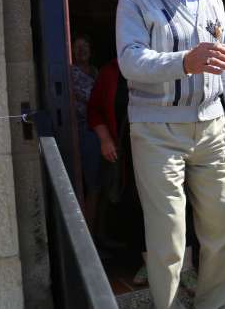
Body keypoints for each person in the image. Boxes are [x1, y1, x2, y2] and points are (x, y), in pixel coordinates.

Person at [116, 0, 225, 309]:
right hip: (157, 129)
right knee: (168, 233)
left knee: (222, 228)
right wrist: (184, 62)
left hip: (211, 125)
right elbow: (130, 61)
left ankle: (215, 303)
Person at [87, 58, 149, 285]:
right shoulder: (110, 72)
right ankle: (149, 264)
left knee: (177, 202)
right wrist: (105, 139)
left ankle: (185, 266)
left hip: (163, 147)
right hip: (128, 155)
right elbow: (94, 110)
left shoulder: (157, 61)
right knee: (136, 205)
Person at [70, 35, 103, 238]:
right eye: (78, 47)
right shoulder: (71, 72)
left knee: (99, 187)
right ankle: (85, 238)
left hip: (98, 131)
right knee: (87, 185)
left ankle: (96, 236)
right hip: (81, 131)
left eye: (86, 46)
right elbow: (93, 97)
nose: (82, 50)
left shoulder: (95, 71)